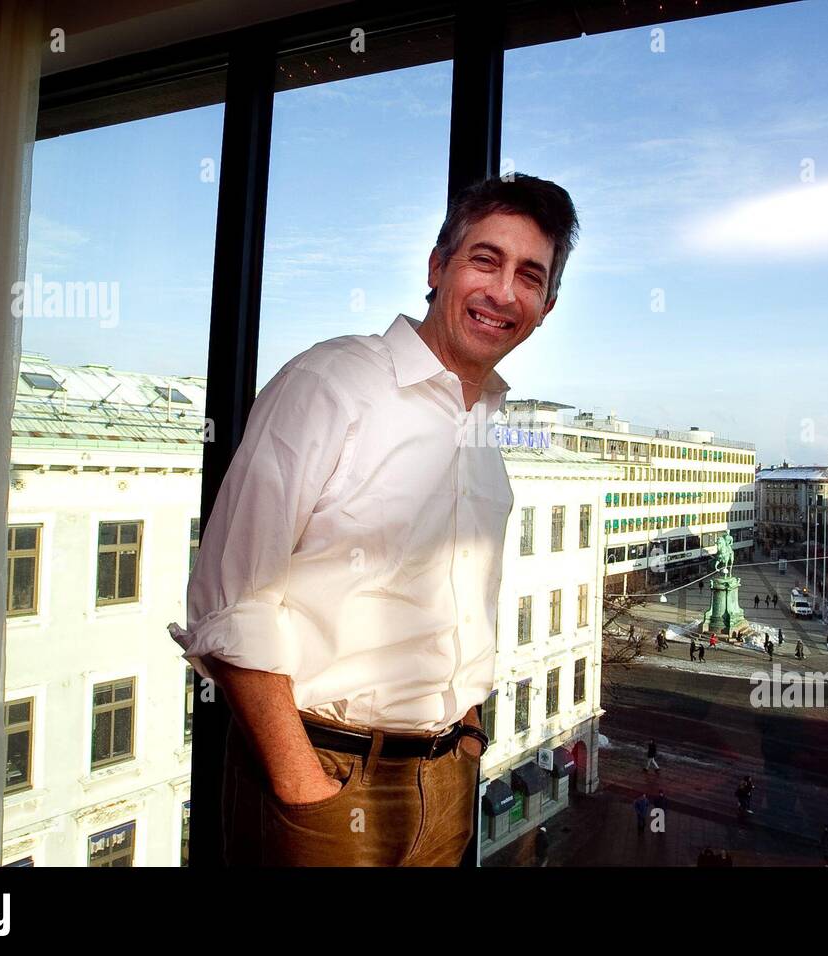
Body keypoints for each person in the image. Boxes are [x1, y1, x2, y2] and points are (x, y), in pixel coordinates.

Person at [169, 174, 579, 866]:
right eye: (485, 260)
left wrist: (467, 736)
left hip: (445, 785)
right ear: (437, 266)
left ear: (547, 304)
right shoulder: (331, 384)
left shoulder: (485, 437)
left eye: (529, 276)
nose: (504, 292)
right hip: (324, 784)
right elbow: (231, 600)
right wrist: (301, 784)